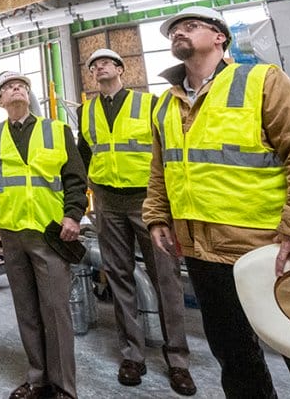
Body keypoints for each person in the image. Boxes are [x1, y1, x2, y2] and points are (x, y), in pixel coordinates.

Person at [142, 6, 290, 399]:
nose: (178, 34)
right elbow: (161, 170)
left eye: (190, 26)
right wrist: (157, 217)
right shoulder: (165, 104)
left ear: (220, 36)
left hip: (274, 249)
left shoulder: (262, 81)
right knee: (235, 358)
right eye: (173, 31)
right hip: (204, 254)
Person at [76, 49, 196, 396]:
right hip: (108, 203)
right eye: (93, 65)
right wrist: (92, 191)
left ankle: (177, 360)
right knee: (119, 276)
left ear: (119, 69)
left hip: (148, 200)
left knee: (165, 278)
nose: (99, 68)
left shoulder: (149, 104)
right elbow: (85, 154)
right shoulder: (87, 111)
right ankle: (132, 354)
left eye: (105, 63)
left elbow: (168, 148)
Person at [0, 71, 88, 399]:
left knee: (55, 311)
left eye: (21, 85)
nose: (16, 89)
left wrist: (73, 214)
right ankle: (38, 380)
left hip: (50, 233)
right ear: (0, 101)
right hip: (11, 232)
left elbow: (75, 177)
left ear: (28, 94)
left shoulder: (56, 130)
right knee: (26, 310)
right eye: (8, 87)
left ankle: (64, 388)